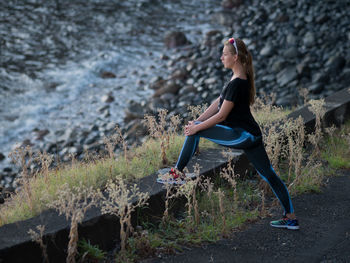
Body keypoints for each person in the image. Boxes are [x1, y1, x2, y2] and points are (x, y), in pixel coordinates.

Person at [156, 37, 299, 230]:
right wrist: (197, 121)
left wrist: (197, 127)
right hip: (252, 135)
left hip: (244, 135)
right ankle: (291, 217)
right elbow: (218, 103)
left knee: (195, 133)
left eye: (224, 54)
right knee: (269, 175)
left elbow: (222, 115)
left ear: (235, 57)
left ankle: (177, 173)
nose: (221, 57)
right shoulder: (237, 79)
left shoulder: (237, 83)